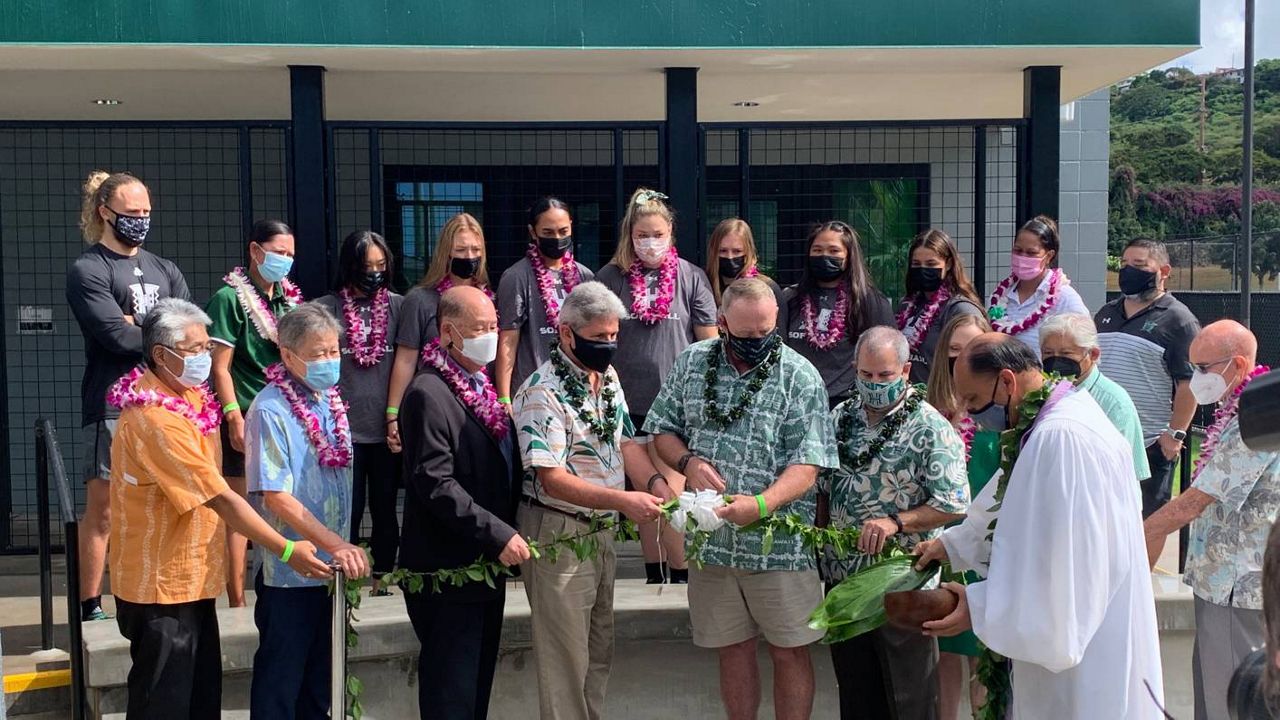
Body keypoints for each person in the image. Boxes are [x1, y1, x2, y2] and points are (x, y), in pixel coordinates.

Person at [914, 333, 1165, 719]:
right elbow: (1009, 496)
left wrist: (978, 608)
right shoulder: (1051, 418)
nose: (968, 414)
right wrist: (952, 545)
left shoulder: (1061, 437)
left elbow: (1068, 573)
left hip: (1085, 656)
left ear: (1008, 381)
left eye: (973, 401)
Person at [107, 299, 328, 720]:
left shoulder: (189, 396)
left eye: (207, 348)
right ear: (160, 355)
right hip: (159, 589)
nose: (205, 358)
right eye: (194, 350)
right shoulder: (155, 418)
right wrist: (285, 549)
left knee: (201, 702)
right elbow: (220, 496)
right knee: (165, 707)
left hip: (191, 580)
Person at [647, 278, 839, 720]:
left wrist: (762, 505)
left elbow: (808, 465)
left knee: (790, 651)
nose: (757, 342)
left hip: (779, 548)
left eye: (765, 332)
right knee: (731, 649)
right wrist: (688, 461)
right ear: (722, 322)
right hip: (713, 544)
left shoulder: (799, 375)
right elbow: (661, 429)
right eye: (747, 333)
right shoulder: (693, 362)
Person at [513, 281, 669, 720]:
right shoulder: (542, 391)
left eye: (614, 336)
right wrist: (623, 502)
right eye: (599, 338)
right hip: (559, 530)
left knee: (599, 651)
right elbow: (552, 478)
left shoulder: (607, 376)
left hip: (599, 530)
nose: (609, 345)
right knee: (565, 662)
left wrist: (656, 484)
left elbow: (625, 442)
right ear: (566, 333)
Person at [817, 326, 969, 720]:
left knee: (910, 699)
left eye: (885, 376)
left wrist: (896, 523)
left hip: (904, 583)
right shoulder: (839, 418)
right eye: (866, 375)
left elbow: (954, 504)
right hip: (845, 580)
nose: (874, 383)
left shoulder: (931, 427)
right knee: (857, 695)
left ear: (904, 372)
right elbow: (821, 486)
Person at [66, 170, 190, 622]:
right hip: (112, 405)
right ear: (105, 212)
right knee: (104, 511)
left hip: (166, 407)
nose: (141, 221)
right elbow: (114, 338)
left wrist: (138, 326)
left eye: (146, 213)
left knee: (160, 503)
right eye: (132, 213)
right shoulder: (89, 269)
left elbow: (187, 331)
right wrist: (155, 331)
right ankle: (90, 604)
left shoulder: (165, 269)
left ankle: (148, 593)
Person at [1142, 320, 1279, 720]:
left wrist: (1133, 536)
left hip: (1237, 584)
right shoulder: (1242, 408)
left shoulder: (1254, 418)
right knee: (1211, 696)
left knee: (1231, 701)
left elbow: (1195, 501)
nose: (1194, 377)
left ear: (1238, 364)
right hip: (1220, 581)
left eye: (1202, 368)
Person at [401, 286, 526, 720]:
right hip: (448, 570)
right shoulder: (427, 393)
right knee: (450, 694)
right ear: (449, 332)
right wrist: (497, 533)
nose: (491, 335)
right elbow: (434, 483)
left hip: (484, 569)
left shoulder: (480, 384)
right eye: (481, 328)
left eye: (494, 326)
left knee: (475, 693)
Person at [245, 303, 370, 719]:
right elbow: (276, 496)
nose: (330, 361)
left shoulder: (329, 399)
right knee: (281, 687)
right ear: (287, 355)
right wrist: (335, 543)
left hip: (329, 574)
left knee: (321, 689)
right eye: (318, 354)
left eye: (334, 351)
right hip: (291, 574)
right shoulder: (270, 409)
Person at [596, 188, 718, 584]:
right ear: (629, 236)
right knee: (643, 494)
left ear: (671, 234)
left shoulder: (691, 276)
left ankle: (681, 571)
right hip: (626, 402)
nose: (650, 242)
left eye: (657, 234)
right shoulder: (611, 278)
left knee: (674, 490)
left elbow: (708, 343)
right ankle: (654, 568)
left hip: (674, 405)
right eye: (641, 235)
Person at [206, 218, 301, 607]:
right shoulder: (229, 299)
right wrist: (232, 416)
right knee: (239, 508)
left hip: (283, 415)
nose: (285, 261)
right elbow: (219, 367)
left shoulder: (289, 299)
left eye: (291, 255)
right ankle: (236, 598)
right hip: (245, 413)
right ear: (255, 251)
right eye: (279, 252)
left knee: (278, 501)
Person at [316, 230, 405, 594]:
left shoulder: (399, 306)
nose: (374, 273)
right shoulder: (326, 308)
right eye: (366, 266)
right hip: (343, 433)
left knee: (385, 508)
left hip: (385, 431)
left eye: (380, 265)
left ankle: (383, 578)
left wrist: (395, 415)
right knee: (346, 512)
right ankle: (345, 580)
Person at [924, 313, 999, 720]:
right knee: (945, 648)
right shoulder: (929, 412)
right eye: (954, 352)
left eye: (972, 351)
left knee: (981, 651)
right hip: (945, 539)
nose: (962, 359)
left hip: (986, 542)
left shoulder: (999, 416)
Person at [1095, 238, 1201, 517]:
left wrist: (1174, 436)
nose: (1129, 271)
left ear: (1164, 271)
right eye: (1125, 264)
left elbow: (1188, 384)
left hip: (1150, 443)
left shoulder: (1179, 320)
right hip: (1102, 441)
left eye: (1140, 265)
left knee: (1146, 523)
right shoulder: (1106, 314)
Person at [387, 213, 491, 454]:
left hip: (479, 406)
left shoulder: (486, 299)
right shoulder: (421, 300)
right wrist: (392, 415)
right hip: (435, 405)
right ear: (446, 252)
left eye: (476, 249)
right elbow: (405, 359)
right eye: (461, 249)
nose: (470, 256)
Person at [782, 221, 894, 409]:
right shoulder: (790, 298)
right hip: (797, 403)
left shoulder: (869, 301)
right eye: (817, 250)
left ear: (849, 256)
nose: (824, 256)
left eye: (834, 251)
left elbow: (887, 355)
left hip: (847, 405)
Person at [496, 197, 595, 407]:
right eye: (548, 233)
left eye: (563, 231)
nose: (557, 238)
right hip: (532, 392)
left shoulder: (585, 276)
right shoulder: (516, 277)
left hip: (576, 392)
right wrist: (504, 398)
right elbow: (508, 340)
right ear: (533, 232)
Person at [1039, 313, 1151, 483]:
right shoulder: (1043, 391)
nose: (1056, 360)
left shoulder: (1115, 402)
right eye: (1048, 353)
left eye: (1066, 353)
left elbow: (1127, 473)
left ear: (1093, 354)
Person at [985, 215, 1088, 355]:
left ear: (1049, 256)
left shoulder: (1065, 298)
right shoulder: (999, 297)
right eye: (1018, 250)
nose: (1023, 257)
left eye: (1031, 253)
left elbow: (1085, 344)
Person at [895, 228, 984, 385]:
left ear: (948, 264)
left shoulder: (960, 310)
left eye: (931, 264)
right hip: (910, 399)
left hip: (943, 402)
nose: (923, 269)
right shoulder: (907, 306)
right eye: (916, 264)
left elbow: (976, 362)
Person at [704, 218, 785, 313]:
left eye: (737, 251)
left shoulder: (767, 287)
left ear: (748, 251)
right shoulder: (702, 284)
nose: (730, 257)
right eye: (723, 251)